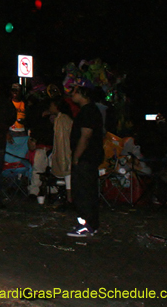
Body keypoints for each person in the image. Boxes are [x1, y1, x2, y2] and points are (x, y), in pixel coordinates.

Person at [67, 85, 104, 237]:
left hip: (86, 158)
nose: (72, 94)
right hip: (89, 157)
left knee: (83, 192)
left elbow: (86, 135)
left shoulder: (88, 111)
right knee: (87, 191)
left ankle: (86, 225)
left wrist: (76, 156)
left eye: (75, 92)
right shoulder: (90, 110)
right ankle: (91, 224)